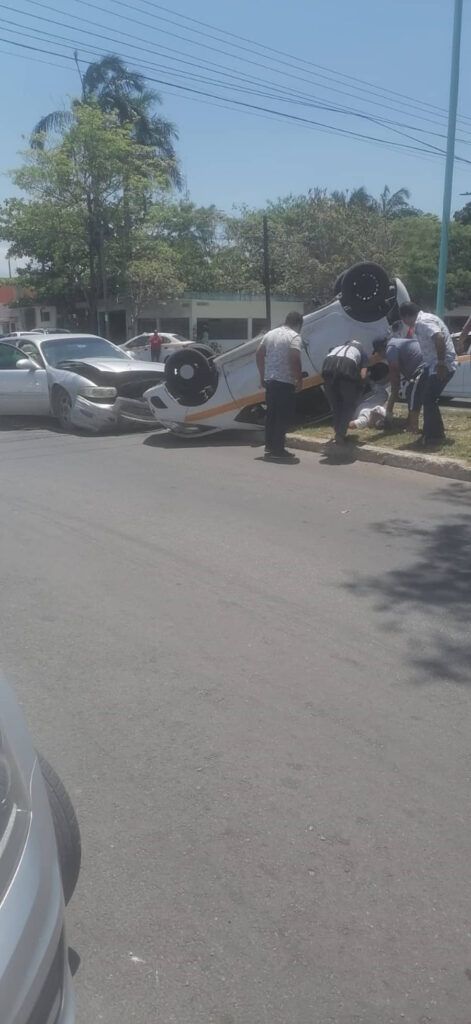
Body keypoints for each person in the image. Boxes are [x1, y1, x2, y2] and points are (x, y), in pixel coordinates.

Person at [399, 302, 457, 446]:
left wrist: (441, 363)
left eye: (403, 320)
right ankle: (429, 432)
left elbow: (439, 337)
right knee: (421, 393)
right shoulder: (424, 320)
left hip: (441, 366)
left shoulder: (423, 322)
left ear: (406, 317)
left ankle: (435, 436)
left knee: (428, 399)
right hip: (431, 366)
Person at [256, 312, 303, 462]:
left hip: (270, 380)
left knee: (271, 415)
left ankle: (269, 446)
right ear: (298, 324)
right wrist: (299, 380)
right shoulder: (294, 337)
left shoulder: (270, 334)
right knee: (282, 416)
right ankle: (278, 449)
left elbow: (259, 354)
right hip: (285, 382)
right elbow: (295, 359)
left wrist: (262, 375)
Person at [373, 334, 425, 433]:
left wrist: (394, 389)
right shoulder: (397, 343)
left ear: (380, 349)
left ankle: (412, 427)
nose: (381, 356)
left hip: (422, 368)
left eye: (379, 353)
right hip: (424, 366)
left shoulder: (391, 348)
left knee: (412, 394)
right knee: (413, 395)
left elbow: (394, 370)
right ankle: (409, 422)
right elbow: (393, 373)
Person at [321, 340, 369, 444]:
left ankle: (337, 429)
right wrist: (362, 384)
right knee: (348, 404)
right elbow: (363, 373)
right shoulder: (361, 352)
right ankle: (340, 434)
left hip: (327, 367)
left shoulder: (337, 347)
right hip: (346, 369)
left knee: (336, 404)